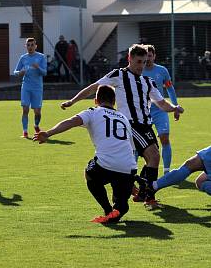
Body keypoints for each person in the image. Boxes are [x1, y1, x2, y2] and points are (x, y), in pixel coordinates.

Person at [60, 44, 184, 209]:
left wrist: (174, 108)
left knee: (152, 159)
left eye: (144, 62)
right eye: (139, 62)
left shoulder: (148, 82)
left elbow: (161, 103)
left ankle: (139, 190)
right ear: (130, 59)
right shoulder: (119, 74)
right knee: (153, 156)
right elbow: (94, 87)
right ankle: (147, 196)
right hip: (130, 124)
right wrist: (72, 101)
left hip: (145, 126)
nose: (142, 66)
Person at [34, 85, 136, 224]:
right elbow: (130, 148)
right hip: (128, 167)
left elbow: (71, 122)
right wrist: (130, 180)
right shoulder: (123, 117)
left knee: (90, 173)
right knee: (121, 204)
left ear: (96, 100)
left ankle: (107, 210)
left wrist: (48, 133)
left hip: (105, 165)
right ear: (114, 101)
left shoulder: (93, 112)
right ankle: (119, 207)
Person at [142, 45, 179, 175]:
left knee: (164, 138)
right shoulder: (138, 71)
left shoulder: (162, 71)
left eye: (150, 56)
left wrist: (175, 107)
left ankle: (167, 171)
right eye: (145, 56)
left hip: (160, 110)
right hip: (142, 112)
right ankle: (132, 172)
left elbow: (169, 88)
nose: (147, 59)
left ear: (154, 56)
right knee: (137, 143)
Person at [14, 38, 47, 138]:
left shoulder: (41, 57)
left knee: (37, 111)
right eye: (28, 45)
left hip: (37, 87)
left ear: (36, 46)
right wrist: (20, 73)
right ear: (26, 46)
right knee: (25, 109)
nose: (30, 47)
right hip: (26, 87)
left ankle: (36, 126)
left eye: (32, 45)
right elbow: (15, 71)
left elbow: (44, 72)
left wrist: (38, 67)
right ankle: (25, 132)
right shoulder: (23, 58)